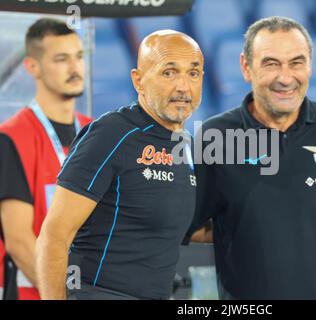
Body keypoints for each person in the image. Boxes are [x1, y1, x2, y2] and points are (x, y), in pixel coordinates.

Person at [185, 16, 316, 300]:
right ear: (246, 67)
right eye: (271, 63)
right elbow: (191, 225)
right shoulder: (215, 136)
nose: (285, 77)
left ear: (310, 66)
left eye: (296, 62)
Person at [36, 30, 204, 300]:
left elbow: (180, 225)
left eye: (193, 74)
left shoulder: (188, 146)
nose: (183, 87)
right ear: (138, 81)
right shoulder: (111, 134)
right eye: (169, 73)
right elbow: (54, 235)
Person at [0, 18, 92, 300]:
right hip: (33, 292)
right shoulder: (10, 137)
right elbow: (19, 241)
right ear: (33, 66)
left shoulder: (95, 132)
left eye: (78, 56)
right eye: (61, 59)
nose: (75, 67)